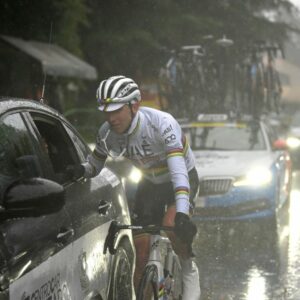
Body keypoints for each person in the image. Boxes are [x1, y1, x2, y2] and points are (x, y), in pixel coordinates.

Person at [68, 75, 201, 300]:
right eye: (106, 111)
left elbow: (178, 172)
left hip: (180, 179)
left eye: (116, 110)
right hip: (150, 183)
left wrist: (181, 212)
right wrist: (78, 170)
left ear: (135, 105)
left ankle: (188, 268)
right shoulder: (107, 133)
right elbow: (95, 165)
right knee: (140, 248)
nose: (111, 118)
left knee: (172, 226)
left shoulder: (162, 124)